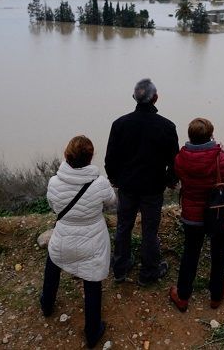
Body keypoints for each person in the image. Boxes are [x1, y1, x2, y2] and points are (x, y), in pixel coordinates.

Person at [41, 135, 116, 349]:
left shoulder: (54, 182)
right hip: (93, 239)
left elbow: (52, 204)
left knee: (54, 261)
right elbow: (111, 202)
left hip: (63, 235)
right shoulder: (100, 183)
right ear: (90, 157)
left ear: (66, 155)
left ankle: (46, 304)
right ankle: (93, 332)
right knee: (92, 280)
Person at [105, 78, 179, 285]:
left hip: (127, 186)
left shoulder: (119, 124)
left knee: (123, 226)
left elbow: (110, 159)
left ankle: (120, 269)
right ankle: (148, 273)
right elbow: (175, 161)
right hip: (153, 187)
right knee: (149, 230)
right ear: (155, 98)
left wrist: (115, 179)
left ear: (134, 98)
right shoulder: (166, 126)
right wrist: (169, 180)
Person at [169, 118, 224, 312]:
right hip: (217, 214)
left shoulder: (180, 158)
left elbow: (179, 175)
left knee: (190, 253)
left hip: (191, 216)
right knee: (219, 253)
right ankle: (216, 296)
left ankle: (183, 296)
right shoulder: (220, 156)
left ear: (190, 136)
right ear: (210, 135)